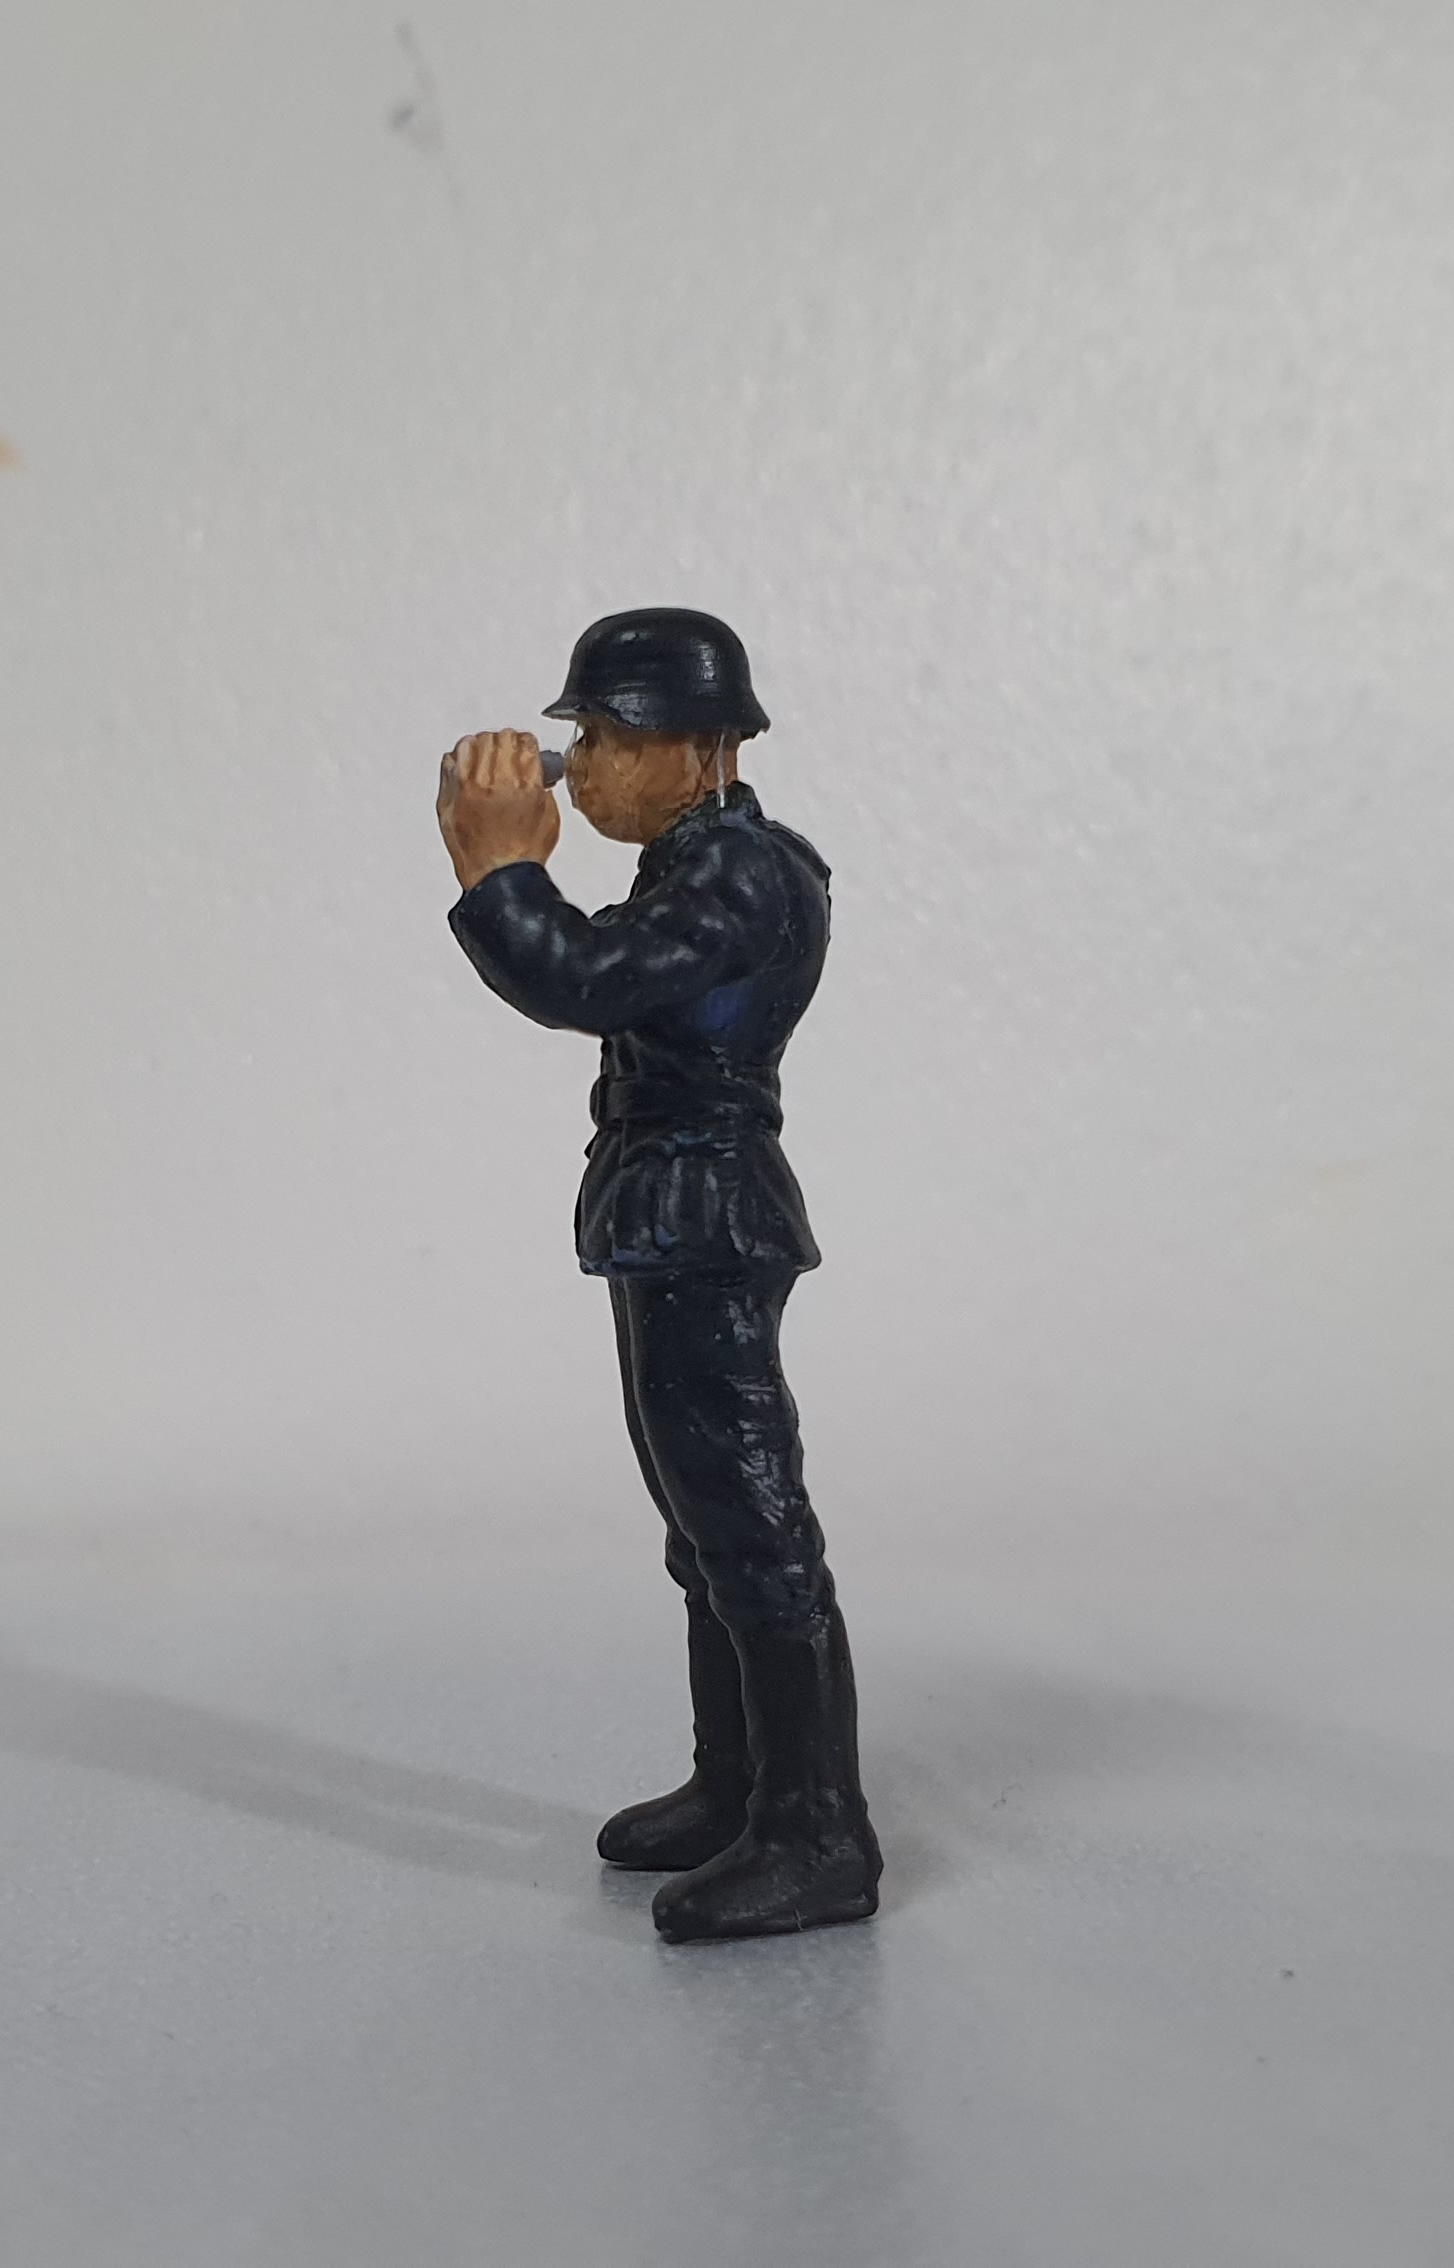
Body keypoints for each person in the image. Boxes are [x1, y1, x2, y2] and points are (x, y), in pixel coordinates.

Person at [434, 606, 883, 1943]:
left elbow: (592, 980)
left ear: (701, 749)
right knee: (703, 1526)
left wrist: (500, 872)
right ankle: (740, 1785)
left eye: (606, 740)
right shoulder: (696, 862)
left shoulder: (742, 875)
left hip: (709, 1215)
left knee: (752, 1528)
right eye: (581, 738)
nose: (581, 768)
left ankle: (817, 1834)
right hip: (669, 1215)